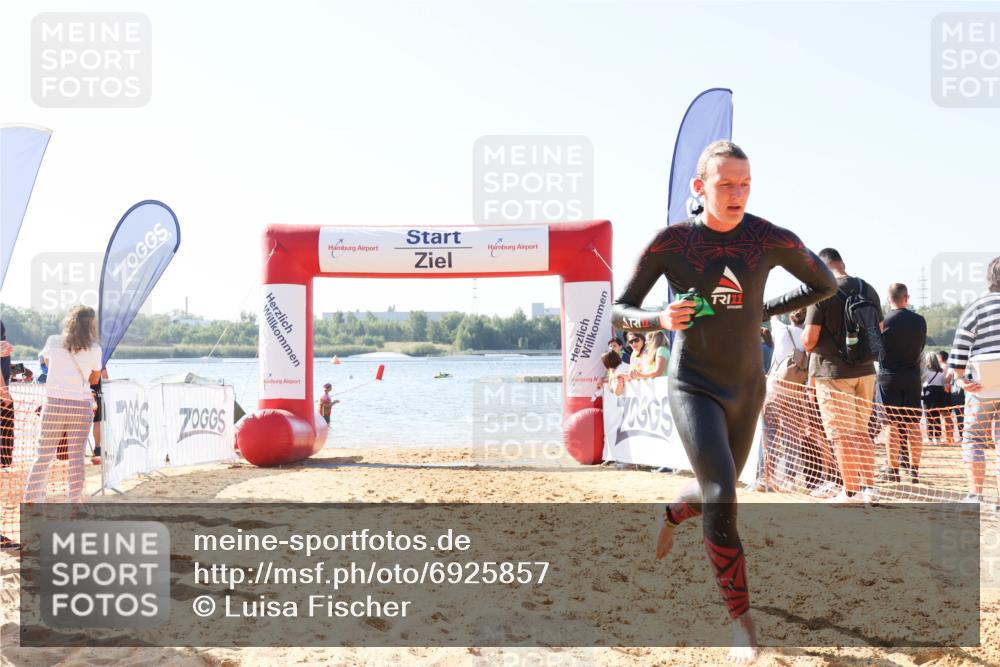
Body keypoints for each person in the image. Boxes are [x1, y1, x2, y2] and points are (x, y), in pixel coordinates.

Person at [612, 140, 836, 663]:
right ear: (700, 187)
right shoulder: (672, 242)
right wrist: (659, 318)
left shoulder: (766, 237)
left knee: (723, 488)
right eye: (726, 184)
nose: (737, 194)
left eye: (745, 184)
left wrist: (761, 308)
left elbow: (822, 283)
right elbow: (622, 310)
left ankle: (675, 511)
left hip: (747, 384)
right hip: (693, 383)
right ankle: (743, 625)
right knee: (720, 491)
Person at [801, 248, 884, 505]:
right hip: (866, 371)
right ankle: (869, 488)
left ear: (820, 266)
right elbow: (879, 330)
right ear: (842, 264)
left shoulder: (821, 291)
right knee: (861, 432)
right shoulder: (867, 289)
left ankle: (850, 492)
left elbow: (809, 339)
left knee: (841, 434)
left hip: (833, 372)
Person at [23, 306, 102, 505]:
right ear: (92, 325)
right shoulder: (95, 348)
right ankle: (75, 503)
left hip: (54, 402)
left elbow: (47, 364)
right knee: (76, 457)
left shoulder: (54, 341)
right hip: (80, 405)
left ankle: (31, 500)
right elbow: (94, 379)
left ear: (70, 321)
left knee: (43, 455)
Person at [948, 255, 1000, 506]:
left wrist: (961, 379)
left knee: (973, 438)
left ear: (989, 279)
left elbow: (959, 349)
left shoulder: (976, 308)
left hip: (981, 386)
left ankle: (975, 495)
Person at [876, 283, 926, 483]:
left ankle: (893, 470)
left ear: (888, 299)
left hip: (888, 377)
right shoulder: (919, 321)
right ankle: (914, 470)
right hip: (912, 377)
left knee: (891, 425)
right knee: (913, 424)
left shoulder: (883, 321)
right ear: (907, 297)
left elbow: (874, 348)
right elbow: (921, 347)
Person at [922, 351, 951, 446]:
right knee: (937, 417)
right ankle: (938, 438)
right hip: (939, 395)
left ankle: (930, 439)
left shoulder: (926, 371)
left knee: (928, 417)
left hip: (929, 394)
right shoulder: (941, 371)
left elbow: (923, 383)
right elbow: (943, 384)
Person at [938, 350, 961, 445]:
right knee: (948, 416)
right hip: (949, 392)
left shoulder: (943, 367)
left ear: (940, 358)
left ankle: (949, 438)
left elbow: (945, 380)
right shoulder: (948, 366)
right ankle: (949, 437)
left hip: (944, 392)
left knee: (946, 416)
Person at [1, 321, 13, 468]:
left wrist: (13, 369)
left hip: (3, 388)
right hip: (2, 393)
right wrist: (4, 393)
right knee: (5, 429)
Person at [90, 368, 109, 460]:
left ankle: (77, 449)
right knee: (98, 421)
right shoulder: (99, 360)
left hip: (80, 391)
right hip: (96, 392)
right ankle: (97, 448)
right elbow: (105, 377)